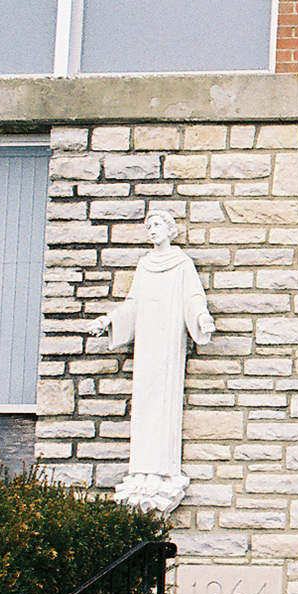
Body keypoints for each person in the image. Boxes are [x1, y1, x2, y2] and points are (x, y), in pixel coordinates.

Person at [89, 212, 213, 513]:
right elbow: (133, 304)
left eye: (156, 225)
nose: (152, 231)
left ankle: (161, 471)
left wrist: (201, 317)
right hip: (146, 344)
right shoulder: (144, 265)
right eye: (148, 227)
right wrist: (109, 320)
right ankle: (141, 471)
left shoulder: (182, 265)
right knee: (144, 404)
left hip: (168, 343)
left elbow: (193, 297)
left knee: (163, 404)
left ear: (169, 229)